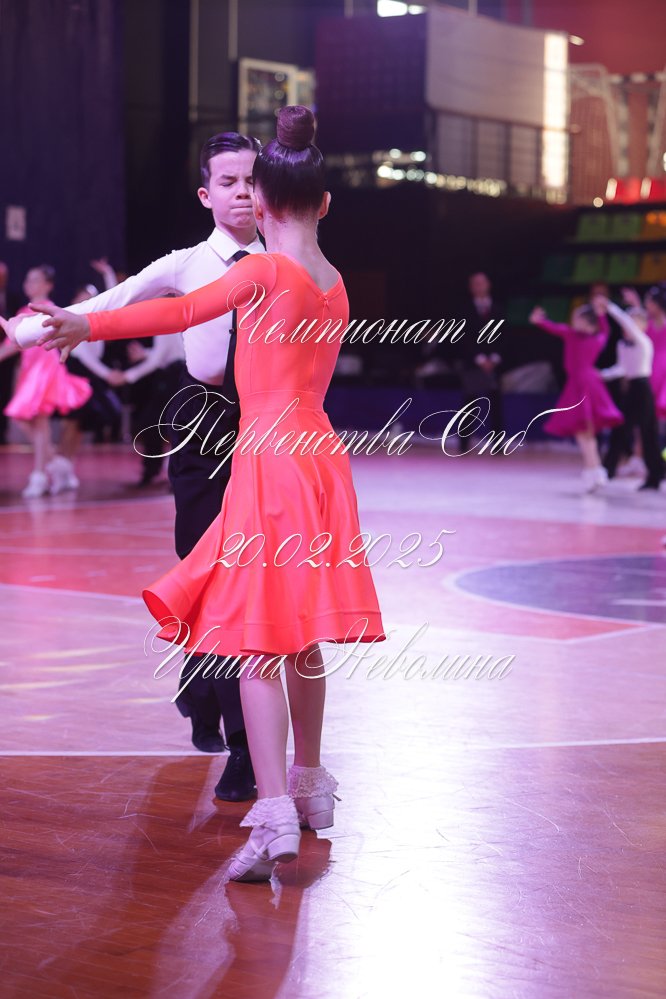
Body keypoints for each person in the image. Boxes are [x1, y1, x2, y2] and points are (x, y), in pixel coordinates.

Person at [16, 105, 386, 883]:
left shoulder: (262, 271)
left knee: (254, 641)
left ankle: (275, 816)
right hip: (320, 458)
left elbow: (183, 311)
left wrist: (85, 328)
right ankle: (311, 786)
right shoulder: (336, 283)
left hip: (268, 458)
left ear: (264, 201)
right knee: (303, 636)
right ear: (323, 203)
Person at [9, 133, 264, 796]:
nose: (242, 192)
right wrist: (30, 329)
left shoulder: (284, 264)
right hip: (202, 424)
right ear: (206, 194)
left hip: (266, 427)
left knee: (250, 582)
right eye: (229, 181)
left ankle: (222, 714)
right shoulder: (187, 264)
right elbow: (114, 301)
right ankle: (221, 709)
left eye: (251, 179)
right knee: (208, 574)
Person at [0, 265, 92, 497]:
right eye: (28, 280)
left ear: (48, 285)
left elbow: (21, 343)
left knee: (39, 422)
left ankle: (40, 476)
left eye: (35, 280)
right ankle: (59, 466)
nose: (29, 284)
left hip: (44, 370)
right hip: (30, 371)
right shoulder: (24, 310)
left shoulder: (50, 310)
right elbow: (13, 343)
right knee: (25, 420)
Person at [529, 299, 624, 492]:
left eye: (577, 319)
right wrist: (540, 321)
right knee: (585, 432)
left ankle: (593, 470)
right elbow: (555, 328)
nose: (573, 321)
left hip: (583, 385)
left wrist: (601, 315)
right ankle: (595, 469)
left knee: (584, 431)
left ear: (588, 322)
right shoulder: (584, 336)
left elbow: (603, 330)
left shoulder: (581, 336)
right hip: (585, 383)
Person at [599, 296, 664, 491]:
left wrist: (610, 306)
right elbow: (621, 368)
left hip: (643, 389)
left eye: (632, 323)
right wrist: (601, 375)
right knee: (620, 429)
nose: (627, 327)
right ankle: (608, 471)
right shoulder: (622, 344)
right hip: (631, 390)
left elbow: (626, 322)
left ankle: (655, 476)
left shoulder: (643, 341)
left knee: (648, 433)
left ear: (642, 326)